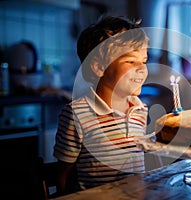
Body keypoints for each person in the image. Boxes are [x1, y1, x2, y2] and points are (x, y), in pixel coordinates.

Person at [53, 15, 149, 196]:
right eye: (130, 61)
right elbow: (63, 175)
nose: (142, 68)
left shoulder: (140, 110)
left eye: (143, 61)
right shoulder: (76, 114)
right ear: (99, 68)